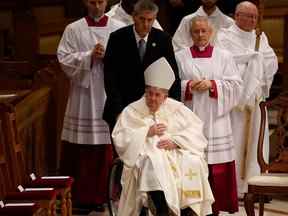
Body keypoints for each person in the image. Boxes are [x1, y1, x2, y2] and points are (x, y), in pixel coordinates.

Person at [112, 57, 214, 216]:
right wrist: (146, 132)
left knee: (193, 161)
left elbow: (196, 132)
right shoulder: (132, 111)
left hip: (174, 154)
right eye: (149, 94)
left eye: (157, 95)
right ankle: (161, 209)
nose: (152, 98)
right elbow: (120, 137)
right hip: (147, 156)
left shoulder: (176, 108)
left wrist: (176, 141)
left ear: (165, 97)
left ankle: (189, 210)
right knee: (153, 162)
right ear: (145, 93)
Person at [57, 0, 124, 210]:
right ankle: (79, 196)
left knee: (107, 146)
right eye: (93, 2)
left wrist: (109, 57)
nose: (97, 6)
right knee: (82, 148)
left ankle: (105, 196)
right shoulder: (73, 28)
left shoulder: (118, 28)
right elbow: (63, 58)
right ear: (86, 2)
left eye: (101, 1)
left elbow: (128, 61)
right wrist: (89, 57)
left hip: (108, 94)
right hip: (83, 98)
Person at [175, 16, 242, 215]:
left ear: (211, 33)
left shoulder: (224, 56)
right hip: (190, 117)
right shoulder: (180, 56)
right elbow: (170, 85)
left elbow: (236, 85)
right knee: (191, 163)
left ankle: (217, 206)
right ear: (190, 33)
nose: (201, 35)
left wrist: (212, 85)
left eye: (204, 31)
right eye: (196, 31)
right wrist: (187, 86)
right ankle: (191, 207)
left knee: (217, 165)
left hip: (216, 119)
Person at [215, 1, 278, 198]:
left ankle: (255, 186)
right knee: (233, 140)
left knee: (256, 144)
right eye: (249, 16)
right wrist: (250, 61)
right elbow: (222, 62)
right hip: (235, 103)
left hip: (255, 100)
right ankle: (231, 188)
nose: (253, 20)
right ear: (236, 16)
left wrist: (257, 63)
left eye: (255, 17)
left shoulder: (261, 37)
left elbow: (271, 61)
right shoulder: (224, 37)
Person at [103, 0, 181, 130]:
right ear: (134, 17)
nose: (145, 24)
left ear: (155, 19)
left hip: (153, 109)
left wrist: (174, 108)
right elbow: (110, 78)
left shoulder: (163, 39)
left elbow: (173, 76)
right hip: (123, 106)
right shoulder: (117, 38)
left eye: (150, 20)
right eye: (142, 19)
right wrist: (118, 111)